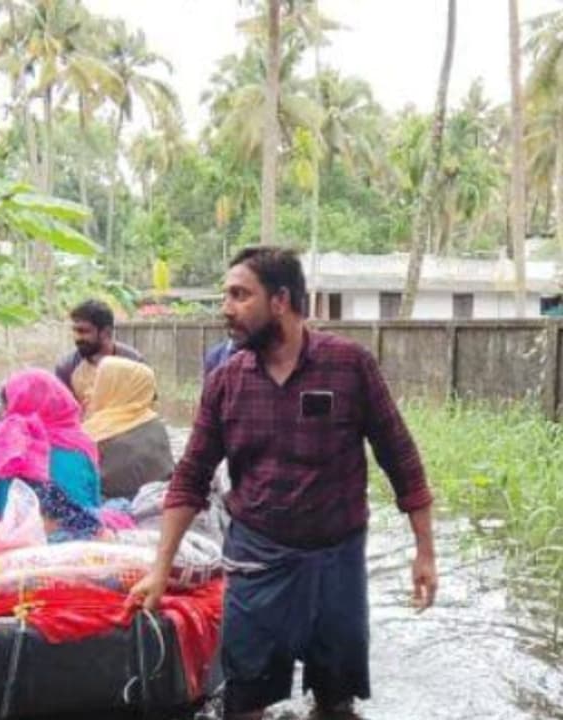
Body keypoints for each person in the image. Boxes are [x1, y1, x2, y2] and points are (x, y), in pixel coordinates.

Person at [125, 246, 437, 720]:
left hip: (338, 560)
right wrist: (161, 567)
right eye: (225, 295)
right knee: (245, 697)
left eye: (239, 294)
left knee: (335, 699)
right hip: (256, 560)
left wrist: (425, 552)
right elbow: (190, 476)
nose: (225, 307)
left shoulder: (349, 365)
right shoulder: (226, 381)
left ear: (280, 301)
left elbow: (400, 456)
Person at [0, 369, 103, 541]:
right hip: (81, 549)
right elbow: (93, 507)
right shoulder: (82, 446)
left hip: (22, 552)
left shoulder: (4, 444)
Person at [82, 356, 174, 499]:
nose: (88, 391)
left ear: (116, 388)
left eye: (97, 384)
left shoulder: (108, 438)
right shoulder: (151, 422)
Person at [55, 299, 144, 412]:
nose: (77, 338)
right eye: (75, 331)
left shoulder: (134, 362)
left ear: (106, 332)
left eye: (84, 331)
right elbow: (64, 414)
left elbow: (145, 407)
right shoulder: (67, 368)